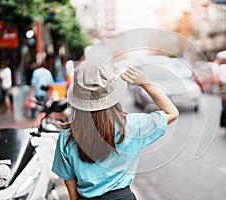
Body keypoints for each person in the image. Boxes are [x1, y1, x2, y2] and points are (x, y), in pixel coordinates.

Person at [52, 61, 179, 200]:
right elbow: (172, 113)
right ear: (112, 94)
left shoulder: (67, 136)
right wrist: (146, 83)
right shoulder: (132, 125)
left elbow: (69, 182)